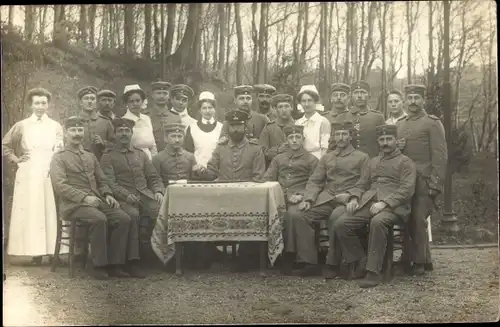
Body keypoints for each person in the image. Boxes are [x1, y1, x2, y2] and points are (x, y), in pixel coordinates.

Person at [50, 116, 144, 279]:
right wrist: (85, 198)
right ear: (66, 133)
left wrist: (107, 194)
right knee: (99, 219)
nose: (77, 134)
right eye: (73, 130)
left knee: (123, 218)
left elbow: (102, 180)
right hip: (73, 206)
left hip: (96, 200)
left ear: (84, 132)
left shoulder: (90, 156)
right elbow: (60, 186)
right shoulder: (59, 158)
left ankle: (115, 264)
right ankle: (98, 265)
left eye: (80, 130)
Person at [333, 124, 416, 288]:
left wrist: (385, 203)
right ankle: (361, 259)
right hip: (370, 203)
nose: (385, 143)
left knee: (378, 222)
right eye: (382, 139)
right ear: (378, 141)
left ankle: (373, 272)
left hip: (395, 207)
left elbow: (406, 190)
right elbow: (362, 183)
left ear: (396, 141)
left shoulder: (406, 162)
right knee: (341, 223)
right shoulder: (373, 161)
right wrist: (355, 198)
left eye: (389, 139)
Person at [290, 121, 370, 277]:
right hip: (326, 199)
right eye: (338, 134)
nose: (341, 138)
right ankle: (309, 261)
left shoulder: (362, 157)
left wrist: (352, 196)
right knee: (298, 215)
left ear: (351, 136)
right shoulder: (327, 158)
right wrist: (308, 199)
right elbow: (315, 181)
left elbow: (364, 182)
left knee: (335, 218)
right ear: (334, 136)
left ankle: (333, 263)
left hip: (347, 200)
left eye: (344, 134)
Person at [2, 87, 65, 264]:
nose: (40, 106)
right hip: (28, 171)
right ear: (31, 104)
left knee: (49, 209)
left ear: (48, 105)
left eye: (43, 103)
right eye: (36, 103)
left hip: (49, 169)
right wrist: (16, 159)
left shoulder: (55, 126)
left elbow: (60, 149)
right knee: (32, 210)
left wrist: (55, 166)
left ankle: (53, 251)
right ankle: (34, 252)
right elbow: (5, 145)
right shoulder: (22, 125)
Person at [396, 84, 447, 275]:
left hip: (424, 181)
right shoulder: (399, 124)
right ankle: (422, 259)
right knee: (407, 218)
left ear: (423, 100)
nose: (413, 102)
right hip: (404, 182)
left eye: (417, 98)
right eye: (409, 98)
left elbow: (440, 156)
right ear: (405, 100)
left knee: (418, 219)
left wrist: (435, 184)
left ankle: (418, 262)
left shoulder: (432, 123)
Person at [207, 109, 266, 271]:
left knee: (253, 214)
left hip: (247, 199)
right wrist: (201, 171)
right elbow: (212, 171)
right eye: (232, 126)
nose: (235, 129)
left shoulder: (255, 149)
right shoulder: (220, 148)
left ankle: (248, 257)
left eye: (239, 126)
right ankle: (207, 255)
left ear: (245, 126)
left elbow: (259, 177)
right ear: (227, 127)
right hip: (222, 199)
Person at [99, 118, 165, 263]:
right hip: (123, 199)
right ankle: (133, 260)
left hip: (144, 195)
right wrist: (125, 195)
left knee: (160, 210)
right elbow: (110, 182)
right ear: (115, 135)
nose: (124, 134)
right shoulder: (107, 156)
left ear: (131, 133)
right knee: (133, 215)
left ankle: (159, 256)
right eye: (120, 131)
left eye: (127, 131)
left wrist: (158, 191)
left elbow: (153, 176)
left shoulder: (140, 154)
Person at [151, 123, 210, 269]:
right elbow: (155, 179)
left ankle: (194, 256)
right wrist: (159, 191)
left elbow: (193, 180)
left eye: (180, 136)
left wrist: (199, 172)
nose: (177, 140)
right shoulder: (158, 158)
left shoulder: (189, 157)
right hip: (168, 199)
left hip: (188, 198)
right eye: (173, 136)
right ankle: (169, 258)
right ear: (166, 138)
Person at [262, 125, 319, 275]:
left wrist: (302, 195)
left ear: (303, 139)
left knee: (295, 215)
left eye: (297, 137)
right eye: (291, 138)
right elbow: (268, 178)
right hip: (279, 197)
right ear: (286, 140)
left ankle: (305, 260)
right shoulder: (278, 159)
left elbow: (316, 182)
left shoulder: (311, 160)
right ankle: (272, 257)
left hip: (299, 198)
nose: (294, 140)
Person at [341, 81, 385, 158]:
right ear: (351, 96)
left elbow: (383, 143)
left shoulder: (378, 117)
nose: (359, 96)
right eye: (356, 92)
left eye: (363, 92)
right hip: (348, 163)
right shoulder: (343, 117)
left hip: (371, 160)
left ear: (369, 95)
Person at [183, 91, 223, 168]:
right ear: (200, 110)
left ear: (214, 109)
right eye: (204, 108)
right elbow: (188, 153)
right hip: (197, 170)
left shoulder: (221, 127)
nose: (207, 111)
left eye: (210, 107)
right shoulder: (192, 128)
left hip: (217, 170)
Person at [77, 86, 115, 160]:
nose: (90, 101)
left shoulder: (106, 122)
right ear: (80, 103)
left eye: (92, 98)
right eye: (86, 98)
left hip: (100, 163)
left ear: (96, 102)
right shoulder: (74, 122)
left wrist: (104, 143)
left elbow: (115, 145)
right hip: (79, 164)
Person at [121, 84, 157, 160]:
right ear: (127, 103)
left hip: (149, 160)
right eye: (131, 101)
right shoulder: (123, 121)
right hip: (133, 160)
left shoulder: (146, 118)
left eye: (138, 100)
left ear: (142, 101)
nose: (135, 104)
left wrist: (154, 162)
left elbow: (153, 145)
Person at [295, 85, 331, 159]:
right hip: (301, 159)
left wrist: (320, 165)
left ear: (315, 102)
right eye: (304, 101)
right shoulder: (298, 123)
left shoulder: (323, 122)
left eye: (310, 100)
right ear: (300, 103)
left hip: (318, 158)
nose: (307, 104)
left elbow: (325, 148)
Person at [259, 94, 296, 166]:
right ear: (275, 109)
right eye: (280, 107)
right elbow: (262, 151)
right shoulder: (268, 128)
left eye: (287, 106)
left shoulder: (298, 125)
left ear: (291, 107)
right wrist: (278, 150)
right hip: (275, 168)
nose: (284, 110)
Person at [146, 81, 181, 151]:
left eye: (165, 93)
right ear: (152, 95)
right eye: (158, 93)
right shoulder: (146, 116)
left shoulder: (175, 117)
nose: (162, 96)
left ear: (169, 96)